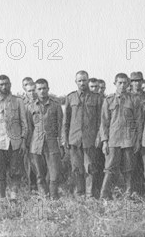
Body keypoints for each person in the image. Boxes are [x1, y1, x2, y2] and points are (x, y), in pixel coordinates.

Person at [99, 73, 142, 199]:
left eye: (125, 83)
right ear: (115, 84)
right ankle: (104, 196)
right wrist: (105, 141)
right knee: (109, 169)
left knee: (128, 170)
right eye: (120, 83)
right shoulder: (108, 100)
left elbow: (139, 121)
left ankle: (127, 196)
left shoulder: (134, 100)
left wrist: (137, 140)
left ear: (128, 84)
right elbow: (104, 123)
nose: (122, 85)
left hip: (129, 140)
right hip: (113, 140)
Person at [0, 75, 29, 201]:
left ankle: (14, 198)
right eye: (1, 84)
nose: (4, 87)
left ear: (10, 84)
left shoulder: (18, 101)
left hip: (15, 143)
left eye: (6, 84)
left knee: (15, 172)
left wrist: (23, 141)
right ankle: (2, 199)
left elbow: (24, 123)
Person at [62, 70, 103, 198]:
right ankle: (80, 193)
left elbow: (101, 121)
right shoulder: (70, 97)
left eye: (84, 80)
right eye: (79, 80)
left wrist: (98, 137)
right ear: (76, 82)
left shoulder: (97, 98)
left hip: (90, 140)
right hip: (74, 139)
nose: (82, 83)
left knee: (90, 168)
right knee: (77, 168)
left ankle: (90, 194)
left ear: (88, 80)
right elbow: (66, 121)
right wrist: (65, 139)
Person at [25, 78, 63, 199]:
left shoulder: (56, 105)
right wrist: (28, 146)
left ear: (48, 89)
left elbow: (60, 126)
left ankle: (54, 198)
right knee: (40, 175)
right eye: (39, 89)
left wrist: (61, 144)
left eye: (44, 88)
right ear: (36, 90)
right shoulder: (30, 107)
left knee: (54, 175)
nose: (42, 91)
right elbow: (29, 128)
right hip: (36, 145)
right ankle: (45, 198)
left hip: (52, 144)